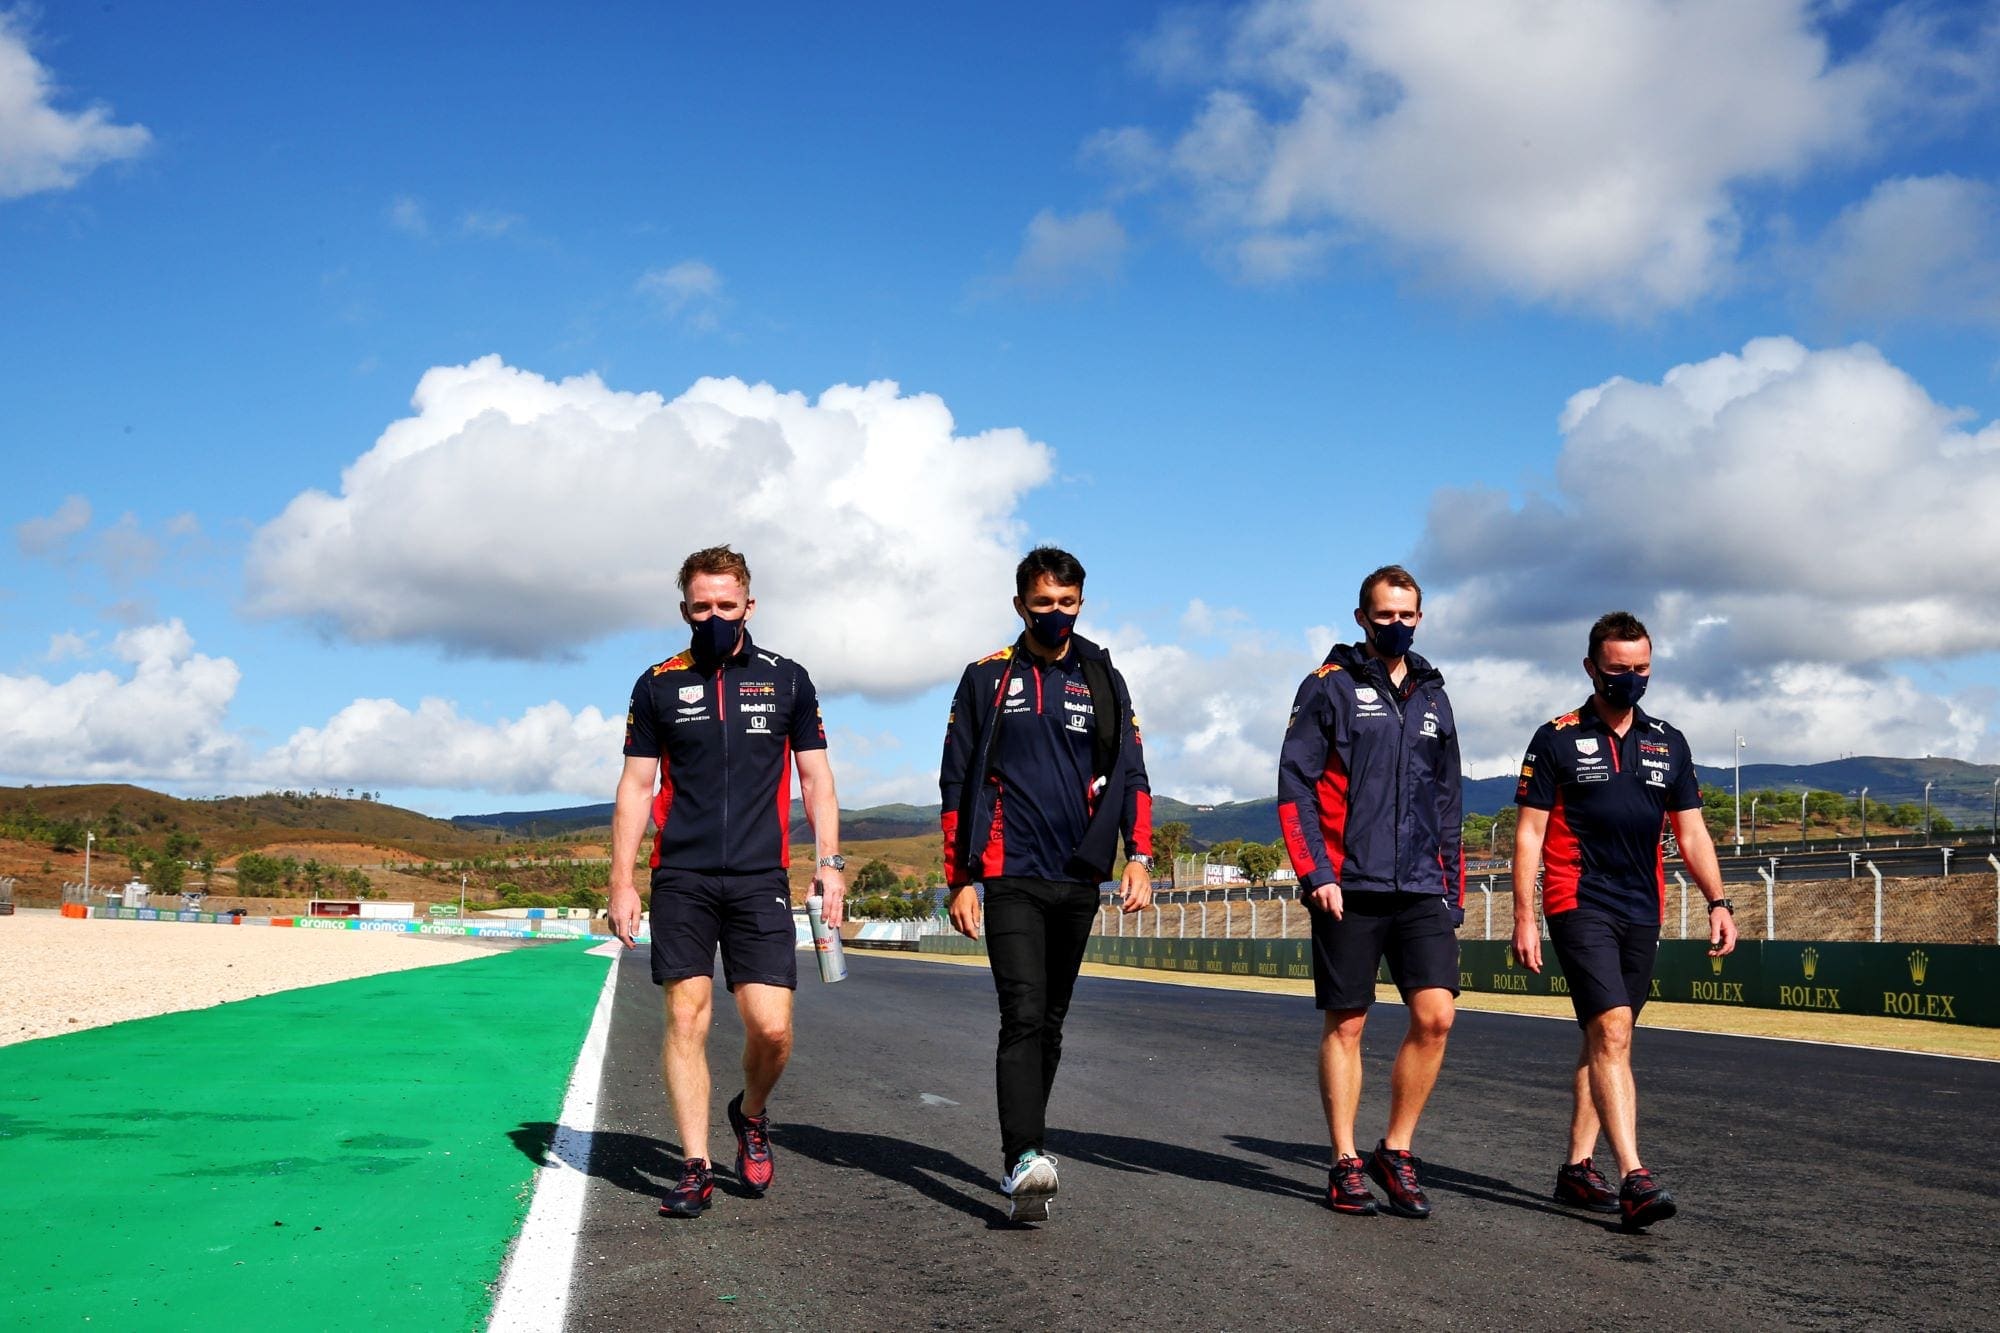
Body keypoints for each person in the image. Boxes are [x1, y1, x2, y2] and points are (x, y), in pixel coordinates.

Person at [608, 546, 847, 1220]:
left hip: (758, 876)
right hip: (679, 875)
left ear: (749, 603)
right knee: (686, 1013)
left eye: (726, 605)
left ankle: (750, 1111)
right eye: (701, 606)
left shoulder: (788, 679)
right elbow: (635, 787)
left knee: (771, 1030)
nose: (713, 617)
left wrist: (829, 862)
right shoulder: (656, 684)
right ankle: (694, 1166)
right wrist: (621, 881)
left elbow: (817, 779)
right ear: (684, 607)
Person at [939, 545, 1154, 1223]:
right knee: (1023, 1012)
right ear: (1019, 605)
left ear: (1081, 604)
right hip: (1008, 871)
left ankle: (1030, 1153)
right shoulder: (986, 677)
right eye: (1042, 604)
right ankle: (1024, 1157)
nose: (1055, 615)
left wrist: (1139, 855)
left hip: (1079, 874)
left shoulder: (1105, 677)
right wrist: (961, 877)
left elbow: (1133, 774)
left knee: (1052, 1022)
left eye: (1067, 604)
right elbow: (954, 780)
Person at [1511, 610, 1738, 1230]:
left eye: (1641, 669)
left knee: (1605, 1036)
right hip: (1575, 897)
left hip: (1645, 906)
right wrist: (1523, 914)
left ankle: (1577, 1169)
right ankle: (1636, 1176)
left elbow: (1691, 832)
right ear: (1591, 668)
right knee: (1612, 1030)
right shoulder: (1555, 738)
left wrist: (1719, 903)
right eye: (1618, 670)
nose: (1631, 679)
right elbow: (1528, 833)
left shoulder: (1670, 740)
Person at [1277, 564, 1465, 1220]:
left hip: (1420, 883)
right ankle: (1344, 1160)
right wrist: (1316, 872)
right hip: (1347, 883)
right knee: (1348, 1022)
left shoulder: (1434, 695)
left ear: (1420, 616)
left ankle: (1397, 1148)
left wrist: (1453, 887)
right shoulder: (1327, 688)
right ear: (1361, 618)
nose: (1397, 625)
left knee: (1436, 1015)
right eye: (1384, 615)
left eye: (1407, 614)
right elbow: (1294, 784)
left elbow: (1449, 800)